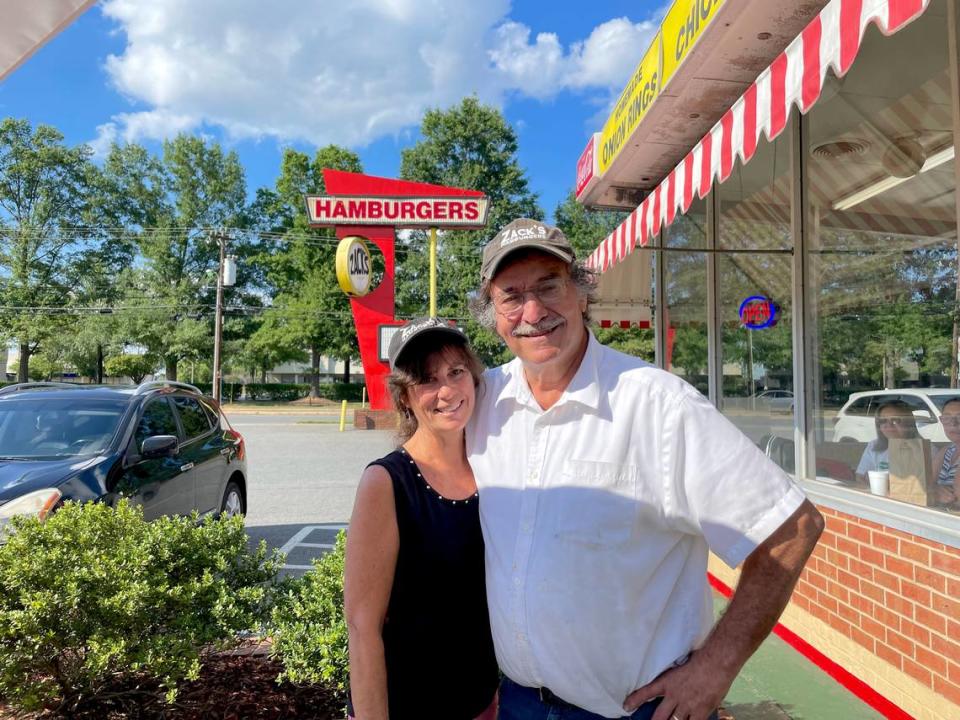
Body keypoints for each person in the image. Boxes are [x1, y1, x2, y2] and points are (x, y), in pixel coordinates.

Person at [466, 218, 824, 720]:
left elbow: (791, 527)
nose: (533, 312)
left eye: (549, 286)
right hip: (521, 700)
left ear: (582, 292)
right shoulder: (484, 402)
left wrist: (715, 668)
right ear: (493, 312)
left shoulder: (658, 404)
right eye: (511, 296)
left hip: (635, 710)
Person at [343, 317, 499, 720]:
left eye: (456, 372)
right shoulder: (387, 482)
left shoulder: (495, 470)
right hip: (408, 705)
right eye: (427, 380)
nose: (446, 390)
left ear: (474, 380)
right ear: (404, 398)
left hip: (484, 703)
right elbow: (363, 628)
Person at [854, 399, 920, 484]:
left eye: (895, 420)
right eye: (883, 421)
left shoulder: (925, 450)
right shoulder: (873, 446)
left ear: (909, 423)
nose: (888, 425)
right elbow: (860, 477)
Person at [931, 398, 960, 508]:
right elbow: (925, 483)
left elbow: (957, 498)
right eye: (947, 418)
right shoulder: (947, 450)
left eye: (959, 417)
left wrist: (933, 491)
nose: (953, 423)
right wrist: (933, 489)